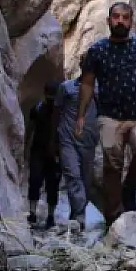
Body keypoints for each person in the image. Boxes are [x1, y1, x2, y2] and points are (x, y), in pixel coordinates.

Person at [74, 2, 136, 229]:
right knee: (112, 165)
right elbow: (87, 84)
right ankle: (114, 218)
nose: (120, 21)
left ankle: (129, 190)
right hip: (110, 117)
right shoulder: (97, 51)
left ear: (131, 22)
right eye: (116, 17)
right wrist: (81, 115)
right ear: (108, 21)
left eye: (125, 17)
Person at [53, 56, 99, 229]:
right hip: (67, 139)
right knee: (73, 175)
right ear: (81, 65)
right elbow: (56, 113)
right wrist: (53, 139)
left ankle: (77, 213)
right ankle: (79, 217)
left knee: (86, 180)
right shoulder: (66, 88)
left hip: (89, 141)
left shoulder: (98, 91)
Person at [26, 81, 61, 229]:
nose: (51, 98)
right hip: (38, 151)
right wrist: (26, 146)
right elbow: (30, 128)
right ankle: (33, 213)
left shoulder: (61, 111)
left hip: (53, 153)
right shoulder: (38, 109)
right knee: (35, 180)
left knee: (52, 184)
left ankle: (50, 216)